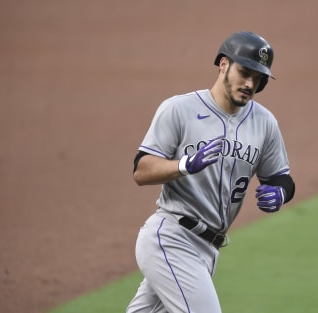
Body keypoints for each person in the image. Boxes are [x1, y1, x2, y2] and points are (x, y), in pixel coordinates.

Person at [126, 31, 296, 313]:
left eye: (259, 78)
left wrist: (281, 192)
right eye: (245, 72)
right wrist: (183, 165)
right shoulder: (179, 109)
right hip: (172, 238)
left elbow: (280, 176)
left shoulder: (264, 123)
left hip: (208, 250)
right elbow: (141, 170)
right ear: (223, 64)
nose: (250, 83)